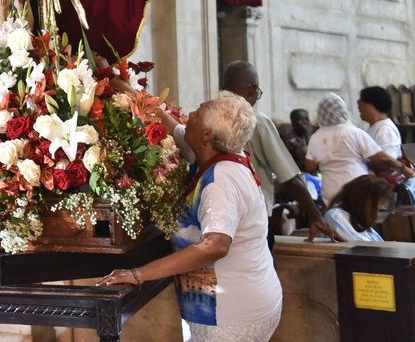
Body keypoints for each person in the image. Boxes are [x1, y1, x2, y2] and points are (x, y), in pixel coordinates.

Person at [99, 92, 282, 341]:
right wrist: (120, 85)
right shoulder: (210, 154)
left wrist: (137, 274)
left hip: (232, 316)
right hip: (232, 305)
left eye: (199, 110)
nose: (190, 115)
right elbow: (164, 119)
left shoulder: (221, 180)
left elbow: (214, 246)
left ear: (208, 135)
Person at [221, 60, 335, 241]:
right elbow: (290, 177)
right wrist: (316, 216)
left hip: (219, 216)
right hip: (254, 218)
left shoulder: (208, 117)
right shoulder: (257, 121)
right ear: (252, 89)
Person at [304, 93, 414, 206]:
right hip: (358, 190)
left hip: (330, 193)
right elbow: (382, 159)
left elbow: (310, 166)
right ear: (343, 110)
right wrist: (403, 168)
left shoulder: (315, 137)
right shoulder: (355, 133)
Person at [358, 85, 415, 205]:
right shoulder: (375, 127)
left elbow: (386, 162)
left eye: (361, 102)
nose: (358, 105)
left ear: (370, 105)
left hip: (384, 189)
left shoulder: (385, 129)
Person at [322, 175, 393, 242]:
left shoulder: (362, 225)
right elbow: (355, 247)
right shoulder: (335, 216)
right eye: (374, 208)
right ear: (361, 201)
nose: (376, 214)